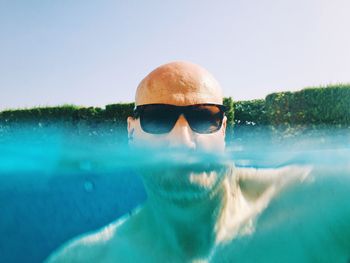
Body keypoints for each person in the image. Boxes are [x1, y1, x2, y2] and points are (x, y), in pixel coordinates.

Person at [45, 61, 311, 263]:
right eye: (157, 118)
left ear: (224, 130)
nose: (183, 142)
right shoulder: (85, 258)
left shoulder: (316, 207)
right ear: (131, 132)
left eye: (204, 118)